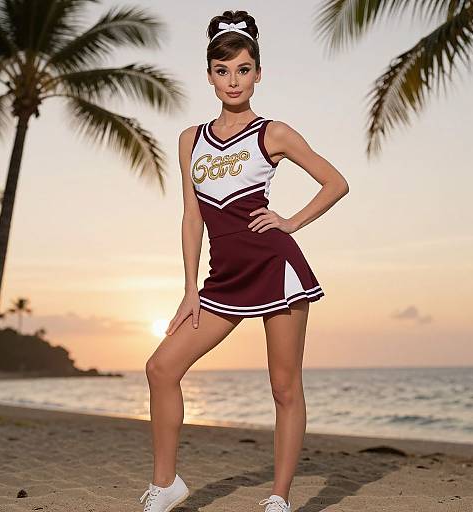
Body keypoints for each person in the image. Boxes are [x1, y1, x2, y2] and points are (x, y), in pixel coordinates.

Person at [139, 9, 349, 512]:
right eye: (222, 70)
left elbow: (335, 183)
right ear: (209, 75)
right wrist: (190, 289)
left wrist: (290, 222)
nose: (233, 80)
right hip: (221, 280)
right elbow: (192, 218)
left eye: (243, 69)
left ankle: (278, 498)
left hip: (276, 270)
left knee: (283, 386)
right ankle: (166, 485)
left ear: (258, 73)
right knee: (161, 367)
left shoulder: (273, 133)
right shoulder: (190, 139)